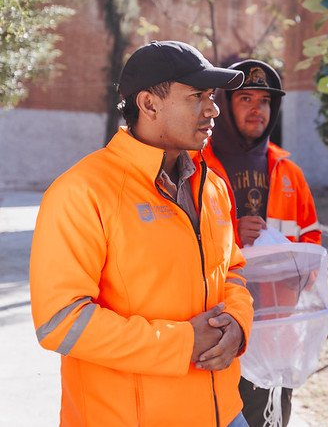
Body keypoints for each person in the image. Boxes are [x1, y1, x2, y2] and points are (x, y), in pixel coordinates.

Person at [29, 40, 254, 426]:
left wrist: (237, 323)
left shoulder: (212, 186)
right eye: (197, 95)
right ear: (149, 105)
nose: (213, 109)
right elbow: (59, 321)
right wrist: (182, 343)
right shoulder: (82, 191)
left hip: (224, 412)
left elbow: (231, 272)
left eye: (212, 96)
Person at [203, 59, 321, 427]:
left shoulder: (289, 171)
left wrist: (287, 263)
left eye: (265, 101)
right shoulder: (197, 165)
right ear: (224, 104)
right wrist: (234, 235)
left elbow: (311, 242)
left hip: (274, 332)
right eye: (246, 99)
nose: (258, 109)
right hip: (215, 332)